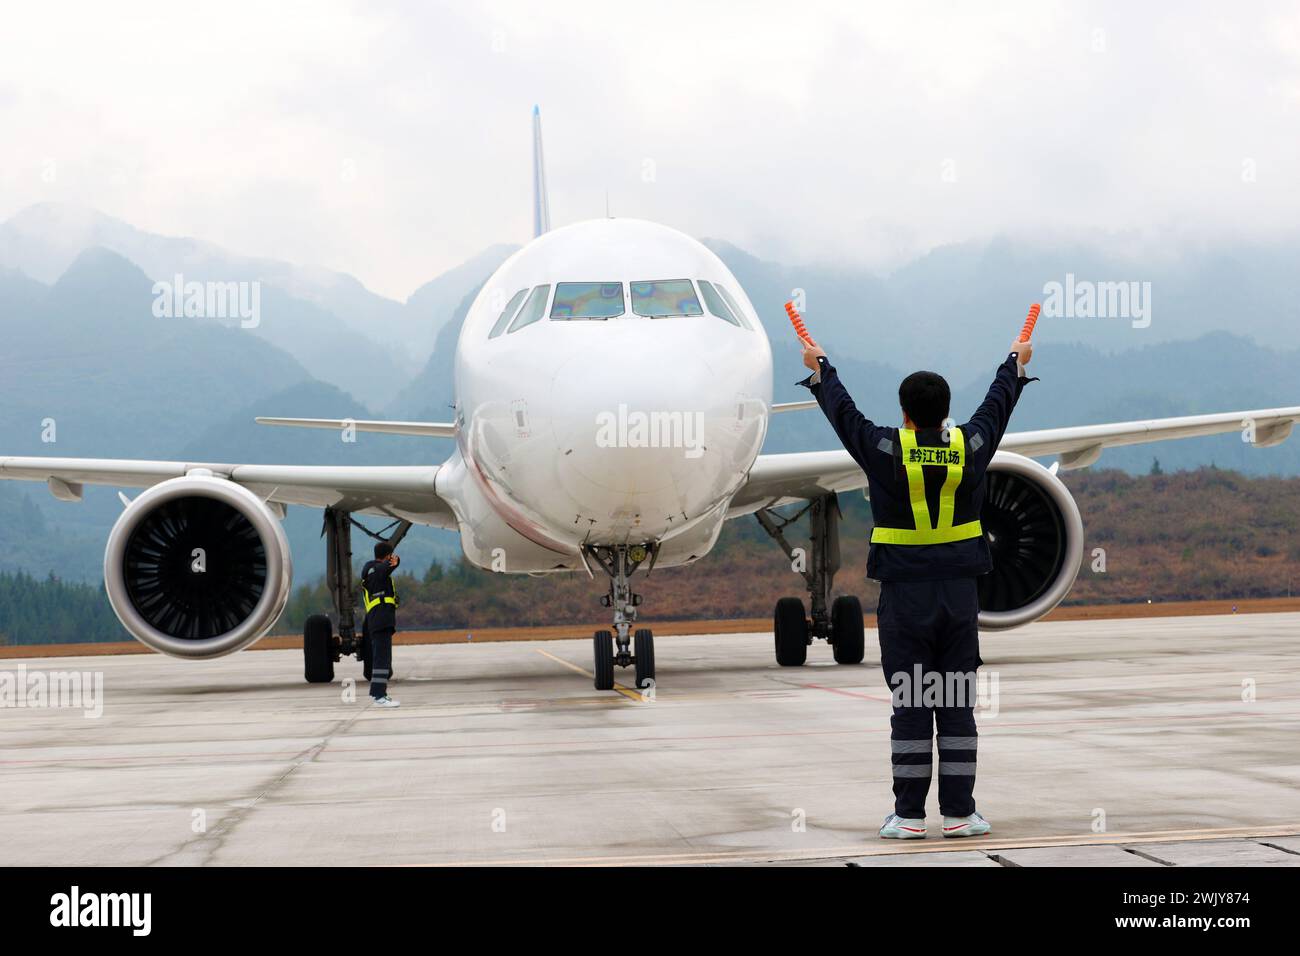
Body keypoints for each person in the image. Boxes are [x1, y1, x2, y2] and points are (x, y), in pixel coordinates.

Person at [799, 327, 1035, 839]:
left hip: (906, 598)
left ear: (904, 411)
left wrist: (823, 372)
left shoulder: (886, 448)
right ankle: (958, 814)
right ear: (945, 410)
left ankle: (907, 817)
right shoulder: (969, 446)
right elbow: (997, 409)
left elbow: (846, 417)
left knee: (910, 703)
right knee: (955, 704)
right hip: (958, 596)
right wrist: (1014, 366)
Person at [360, 541, 401, 708]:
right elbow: (383, 569)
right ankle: (378, 695)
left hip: (382, 620)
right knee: (381, 659)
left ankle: (379, 693)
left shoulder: (378, 572)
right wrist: (393, 562)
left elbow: (385, 570)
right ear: (386, 556)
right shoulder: (373, 570)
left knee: (383, 658)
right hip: (379, 620)